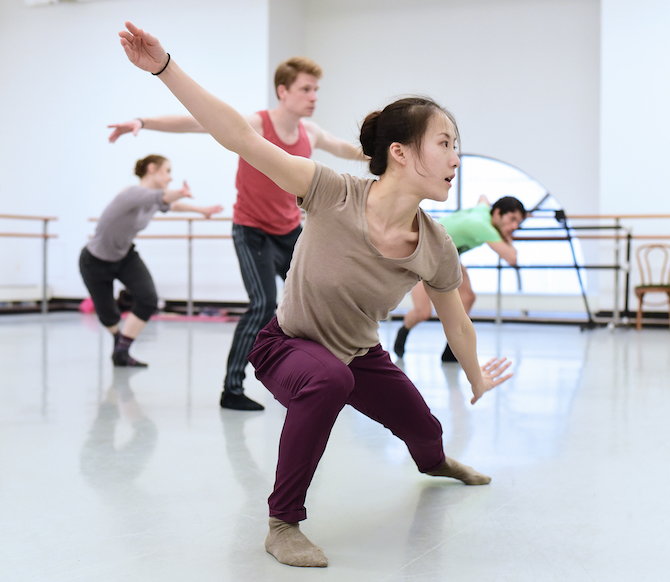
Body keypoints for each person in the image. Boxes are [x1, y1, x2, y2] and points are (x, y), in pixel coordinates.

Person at [119, 21, 513, 568]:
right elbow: (239, 136)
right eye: (445, 144)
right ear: (399, 153)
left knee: (425, 428)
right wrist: (164, 67)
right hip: (287, 345)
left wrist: (473, 374)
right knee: (330, 379)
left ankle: (436, 464)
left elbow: (457, 322)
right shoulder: (330, 191)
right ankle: (283, 523)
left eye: (456, 146)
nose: (455, 158)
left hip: (359, 352)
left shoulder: (435, 244)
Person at [108, 57, 367, 411]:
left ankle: (326, 379)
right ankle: (232, 389)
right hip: (252, 231)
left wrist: (390, 154)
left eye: (316, 89)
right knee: (261, 304)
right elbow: (197, 122)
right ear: (283, 91)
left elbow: (349, 150)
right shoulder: (256, 123)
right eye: (306, 89)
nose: (313, 96)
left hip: (291, 231)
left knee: (322, 298)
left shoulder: (312, 132)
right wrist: (143, 122)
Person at [80, 154, 223, 367]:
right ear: (152, 168)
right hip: (95, 260)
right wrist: (180, 193)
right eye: (167, 171)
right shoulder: (132, 193)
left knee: (148, 300)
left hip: (124, 256)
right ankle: (119, 343)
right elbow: (164, 198)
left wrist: (201, 210)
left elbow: (171, 206)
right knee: (108, 315)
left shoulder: (152, 200)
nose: (170, 177)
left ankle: (121, 351)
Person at [394, 195, 526, 361]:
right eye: (512, 219)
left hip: (448, 257)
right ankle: (404, 331)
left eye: (518, 223)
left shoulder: (484, 211)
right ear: (498, 213)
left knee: (468, 297)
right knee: (423, 312)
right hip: (424, 253)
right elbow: (512, 258)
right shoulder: (482, 226)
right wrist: (507, 237)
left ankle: (451, 349)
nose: (514, 226)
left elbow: (483, 198)